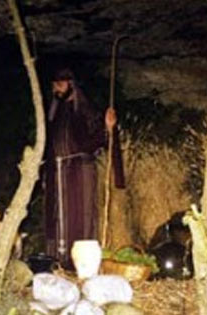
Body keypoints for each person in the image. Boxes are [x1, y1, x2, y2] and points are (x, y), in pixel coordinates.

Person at [44, 68, 126, 267]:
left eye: (60, 83)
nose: (56, 87)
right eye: (54, 83)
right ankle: (57, 259)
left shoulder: (85, 110)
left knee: (81, 213)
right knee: (57, 214)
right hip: (58, 171)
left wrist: (108, 127)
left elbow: (100, 137)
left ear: (71, 84)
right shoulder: (55, 112)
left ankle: (81, 261)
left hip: (80, 170)